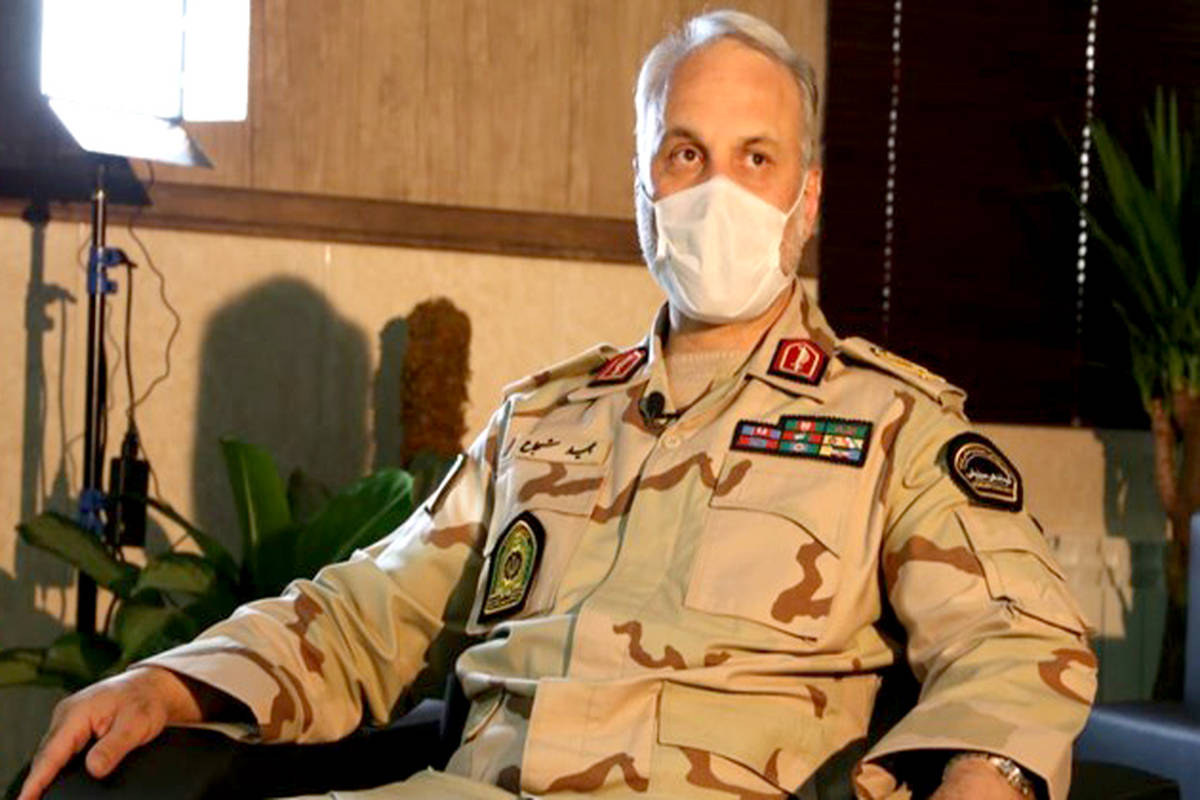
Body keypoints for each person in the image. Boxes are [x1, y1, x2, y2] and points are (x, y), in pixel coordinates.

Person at [20, 11, 1096, 800]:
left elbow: (1018, 646)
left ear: (806, 197)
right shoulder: (542, 420)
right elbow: (370, 612)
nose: (717, 189)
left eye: (756, 158)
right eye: (686, 152)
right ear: (643, 184)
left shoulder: (895, 428)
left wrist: (985, 778)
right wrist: (175, 681)